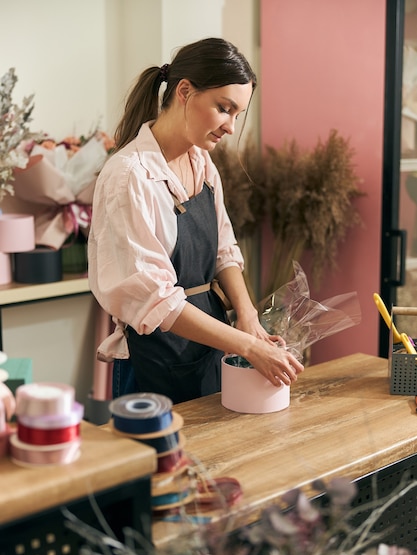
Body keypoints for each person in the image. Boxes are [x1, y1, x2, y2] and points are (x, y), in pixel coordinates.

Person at [88, 37, 304, 405]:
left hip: (208, 351)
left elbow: (224, 249)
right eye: (224, 108)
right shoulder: (129, 177)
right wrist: (248, 346)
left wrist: (248, 316)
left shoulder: (200, 162)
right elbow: (155, 301)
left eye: (238, 114)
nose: (231, 127)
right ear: (185, 91)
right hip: (154, 361)